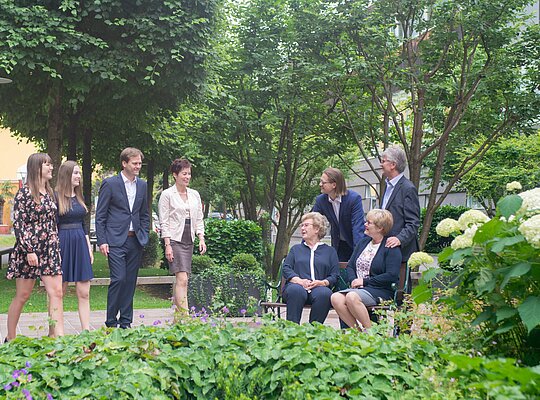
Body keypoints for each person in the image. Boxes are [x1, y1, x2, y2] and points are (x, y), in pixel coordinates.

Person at [5, 153, 64, 340]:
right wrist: (29, 250)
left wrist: (56, 246)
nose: (51, 168)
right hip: (29, 250)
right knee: (23, 295)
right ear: (36, 168)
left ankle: (58, 337)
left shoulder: (50, 193)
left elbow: (52, 223)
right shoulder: (24, 194)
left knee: (57, 292)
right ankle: (11, 338)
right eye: (47, 165)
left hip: (50, 249)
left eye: (51, 164)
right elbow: (20, 225)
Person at [96, 147, 150, 329]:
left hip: (135, 240)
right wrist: (102, 240)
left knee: (130, 281)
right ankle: (111, 321)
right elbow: (100, 215)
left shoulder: (142, 185)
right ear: (124, 163)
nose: (138, 166)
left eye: (140, 163)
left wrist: (145, 233)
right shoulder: (110, 184)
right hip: (115, 240)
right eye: (134, 163)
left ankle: (126, 321)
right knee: (118, 279)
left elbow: (144, 213)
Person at [331, 209, 401, 330]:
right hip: (358, 289)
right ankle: (357, 332)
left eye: (369, 222)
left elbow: (391, 275)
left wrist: (364, 282)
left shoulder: (390, 247)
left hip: (379, 290)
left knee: (351, 297)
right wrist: (353, 280)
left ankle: (370, 333)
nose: (365, 224)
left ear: (380, 228)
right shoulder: (363, 243)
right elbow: (351, 265)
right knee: (335, 298)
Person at [158, 158, 206, 313]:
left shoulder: (194, 195)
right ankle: (186, 318)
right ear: (175, 175)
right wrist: (167, 245)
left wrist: (201, 237)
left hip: (189, 238)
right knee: (182, 279)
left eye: (189, 174)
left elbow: (199, 217)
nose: (187, 177)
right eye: (184, 174)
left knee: (183, 280)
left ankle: (178, 320)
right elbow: (164, 221)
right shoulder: (167, 195)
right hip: (174, 239)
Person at [56, 161, 94, 331]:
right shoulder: (55, 197)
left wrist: (88, 248)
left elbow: (84, 225)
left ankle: (86, 330)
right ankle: (56, 332)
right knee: (59, 292)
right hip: (62, 242)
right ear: (66, 175)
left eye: (79, 173)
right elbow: (53, 226)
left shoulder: (80, 197)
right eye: (75, 173)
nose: (79, 176)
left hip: (80, 242)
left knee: (84, 292)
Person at [282, 212, 339, 324]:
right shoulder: (296, 249)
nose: (302, 228)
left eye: (306, 225)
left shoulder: (329, 251)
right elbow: (286, 268)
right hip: (296, 286)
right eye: (302, 225)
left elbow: (335, 275)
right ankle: (291, 330)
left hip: (319, 288)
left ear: (317, 229)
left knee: (324, 294)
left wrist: (322, 282)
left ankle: (314, 331)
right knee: (296, 290)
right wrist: (298, 280)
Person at [313, 167, 365, 262]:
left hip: (355, 243)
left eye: (323, 182)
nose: (320, 185)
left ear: (334, 185)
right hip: (339, 245)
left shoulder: (354, 199)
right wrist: (303, 249)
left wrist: (358, 256)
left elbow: (358, 228)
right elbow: (312, 223)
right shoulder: (321, 200)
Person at [379, 146, 420, 263]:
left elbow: (413, 223)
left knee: (400, 282)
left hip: (401, 252)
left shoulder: (408, 189)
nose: (381, 164)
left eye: (383, 161)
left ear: (393, 165)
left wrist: (399, 239)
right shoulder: (387, 186)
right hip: (385, 249)